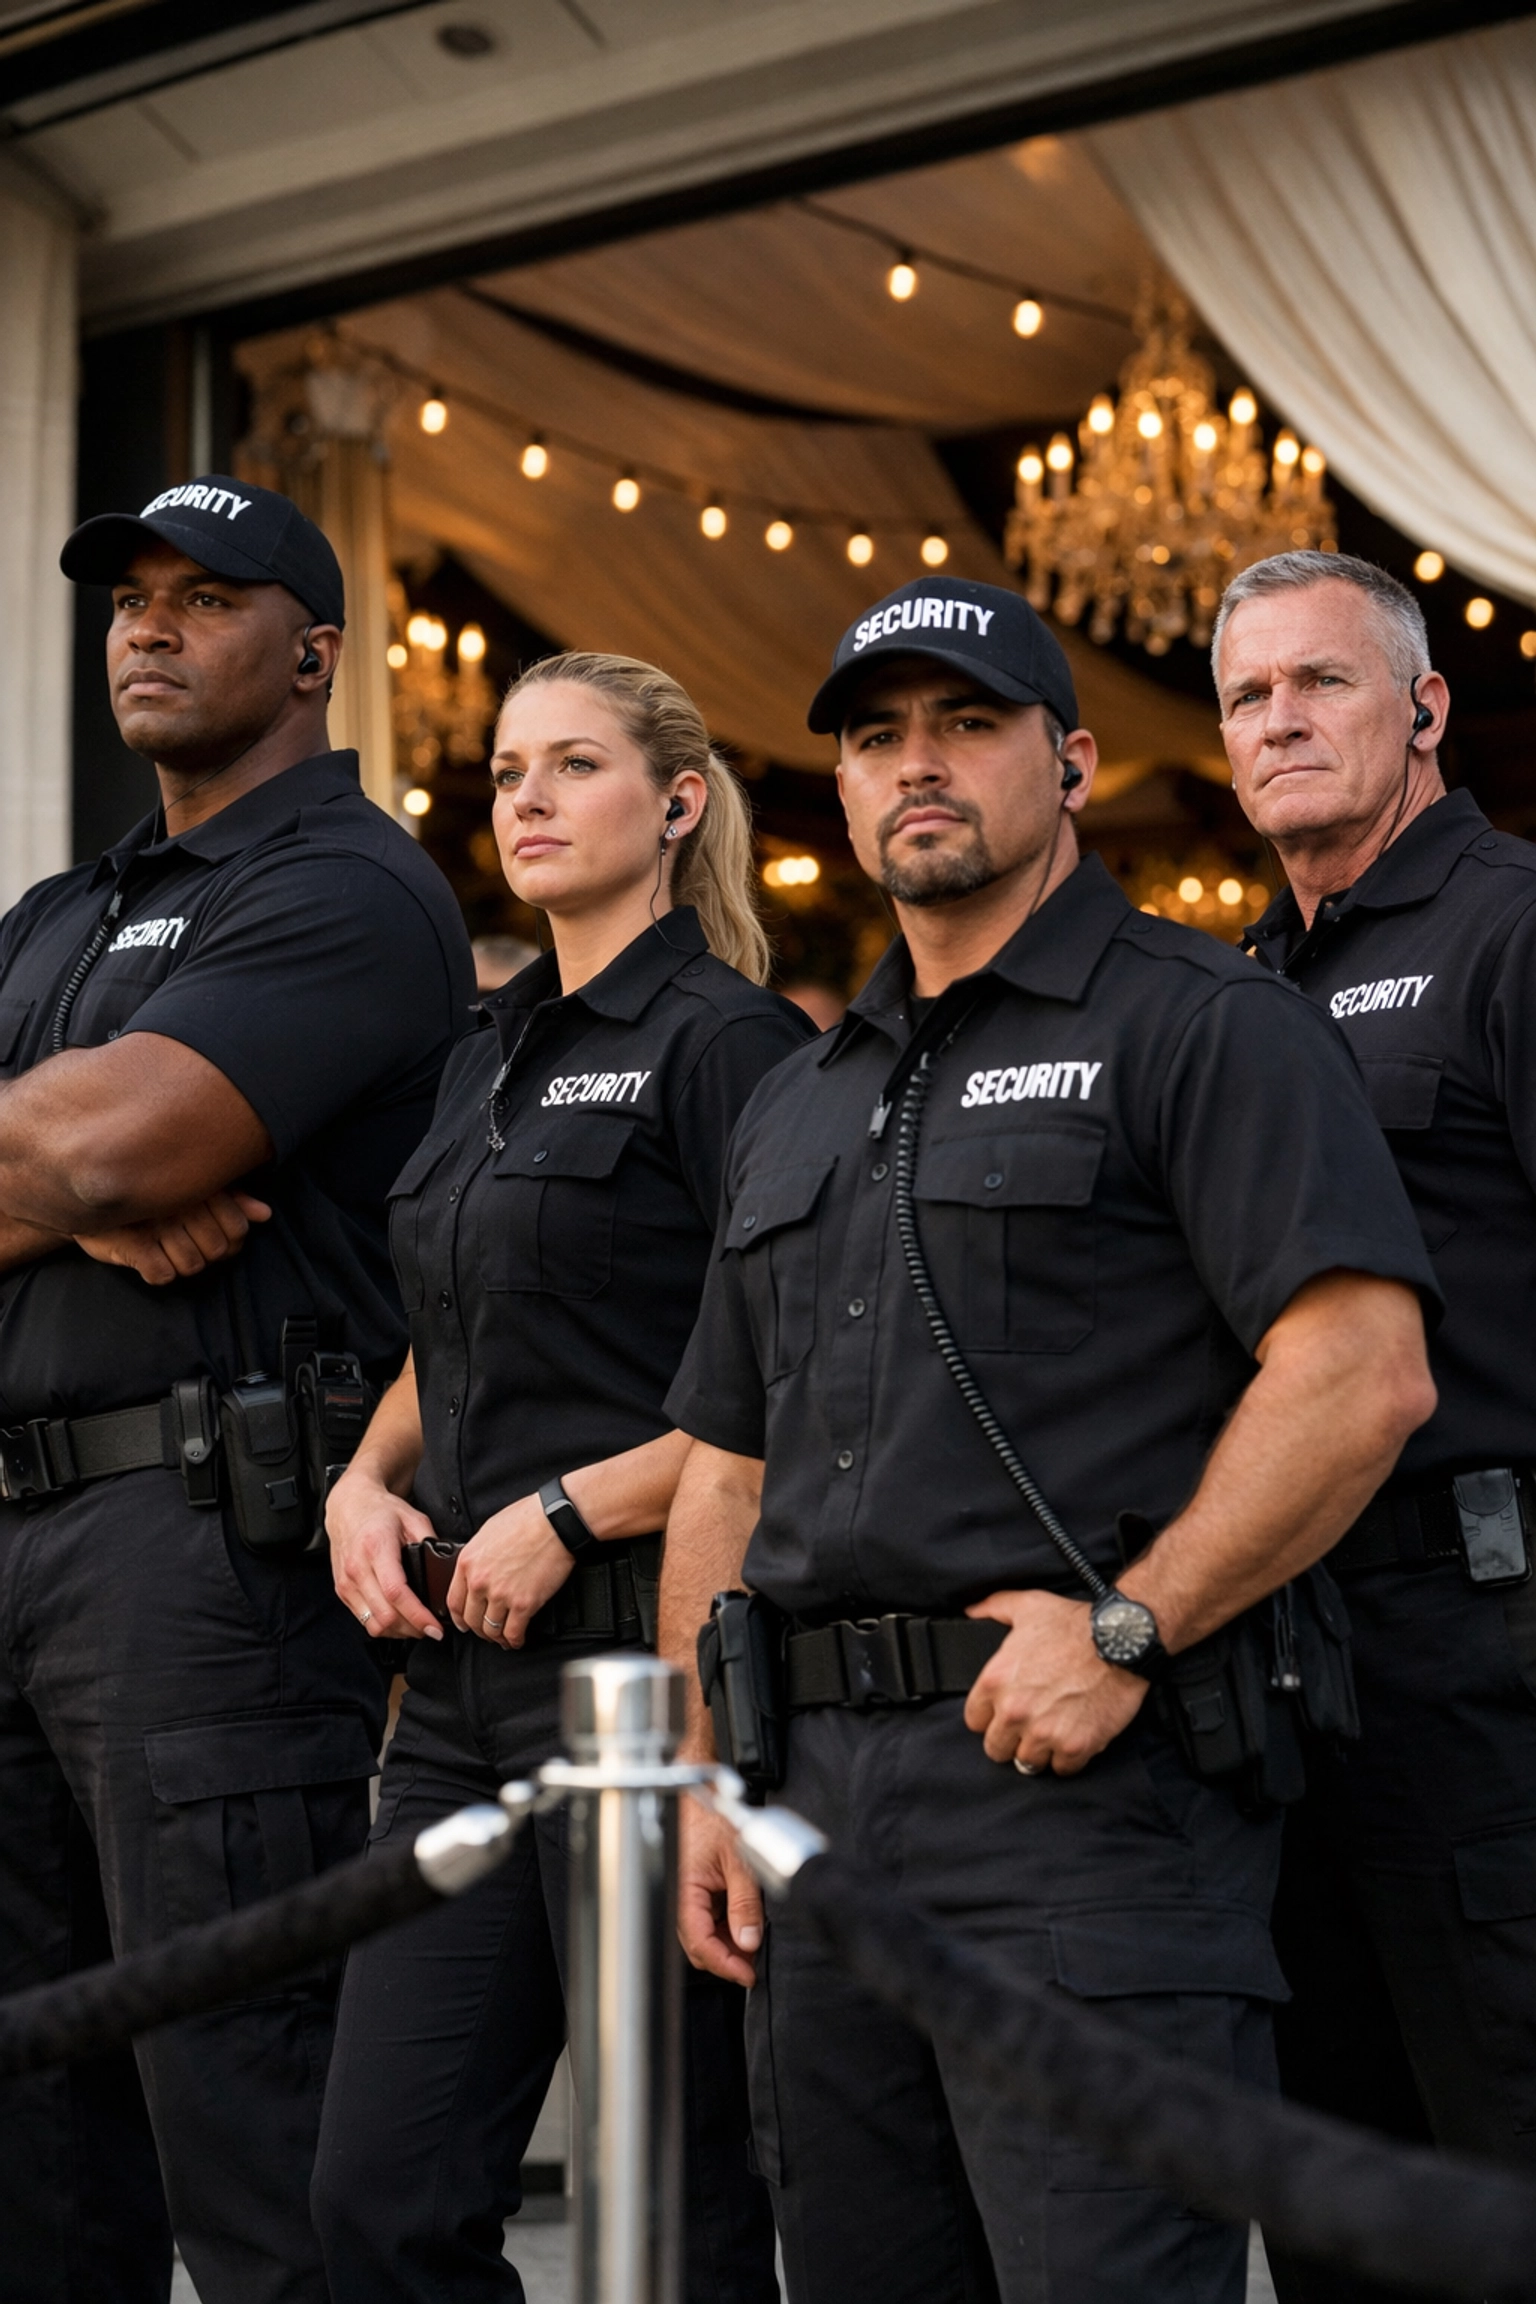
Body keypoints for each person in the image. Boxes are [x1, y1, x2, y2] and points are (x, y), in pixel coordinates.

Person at [657, 574, 1442, 2304]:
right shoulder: (803, 1093)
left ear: (1071, 761)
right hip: (823, 1815)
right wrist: (709, 1778)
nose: (915, 766)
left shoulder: (1202, 1022)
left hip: (1089, 1804)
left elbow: (1362, 1371)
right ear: (842, 789)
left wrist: (1132, 1626)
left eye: (966, 725)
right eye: (877, 738)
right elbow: (726, 1462)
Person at [0, 476, 475, 2304]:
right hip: (26, 1539)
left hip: (207, 1562)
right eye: (131, 597)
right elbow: (102, 1167)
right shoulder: (62, 908)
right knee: (40, 2160)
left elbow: (123, 1147)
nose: (148, 625)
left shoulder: (351, 887)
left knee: (260, 2151)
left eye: (205, 597)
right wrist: (83, 1203)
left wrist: (84, 1175)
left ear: (316, 655)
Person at [313, 651, 810, 2304]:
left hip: (643, 1671)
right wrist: (363, 1483)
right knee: (377, 2201)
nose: (520, 796)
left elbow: (799, 1379)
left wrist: (567, 1509)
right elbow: (440, 1342)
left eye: (571, 766)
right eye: (510, 767)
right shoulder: (486, 1047)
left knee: (671, 2209)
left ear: (675, 804)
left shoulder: (730, 1047)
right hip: (455, 1695)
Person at [1216, 551, 1536, 2300]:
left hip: (1496, 1658)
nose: (1280, 723)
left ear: (1421, 710)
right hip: (1297, 1669)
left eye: (1321, 683)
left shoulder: (1513, 925)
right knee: (1342, 2200)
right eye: (1250, 698)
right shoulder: (1239, 988)